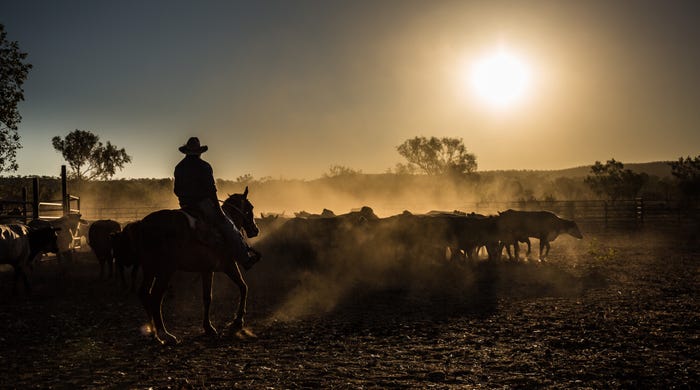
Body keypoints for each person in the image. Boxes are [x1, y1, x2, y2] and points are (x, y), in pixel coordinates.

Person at [174, 136, 253, 265]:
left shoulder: (179, 167)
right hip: (202, 204)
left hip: (185, 205)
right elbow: (211, 190)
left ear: (186, 151)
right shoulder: (204, 166)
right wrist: (218, 209)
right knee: (228, 225)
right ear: (199, 152)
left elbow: (176, 190)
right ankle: (245, 258)